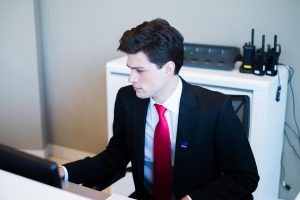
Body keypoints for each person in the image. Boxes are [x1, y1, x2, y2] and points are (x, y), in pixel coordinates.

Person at [59, 18, 259, 200]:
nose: (131, 79)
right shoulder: (127, 99)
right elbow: (115, 157)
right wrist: (64, 172)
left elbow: (245, 177)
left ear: (168, 68)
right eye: (130, 69)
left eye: (140, 70)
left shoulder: (215, 109)